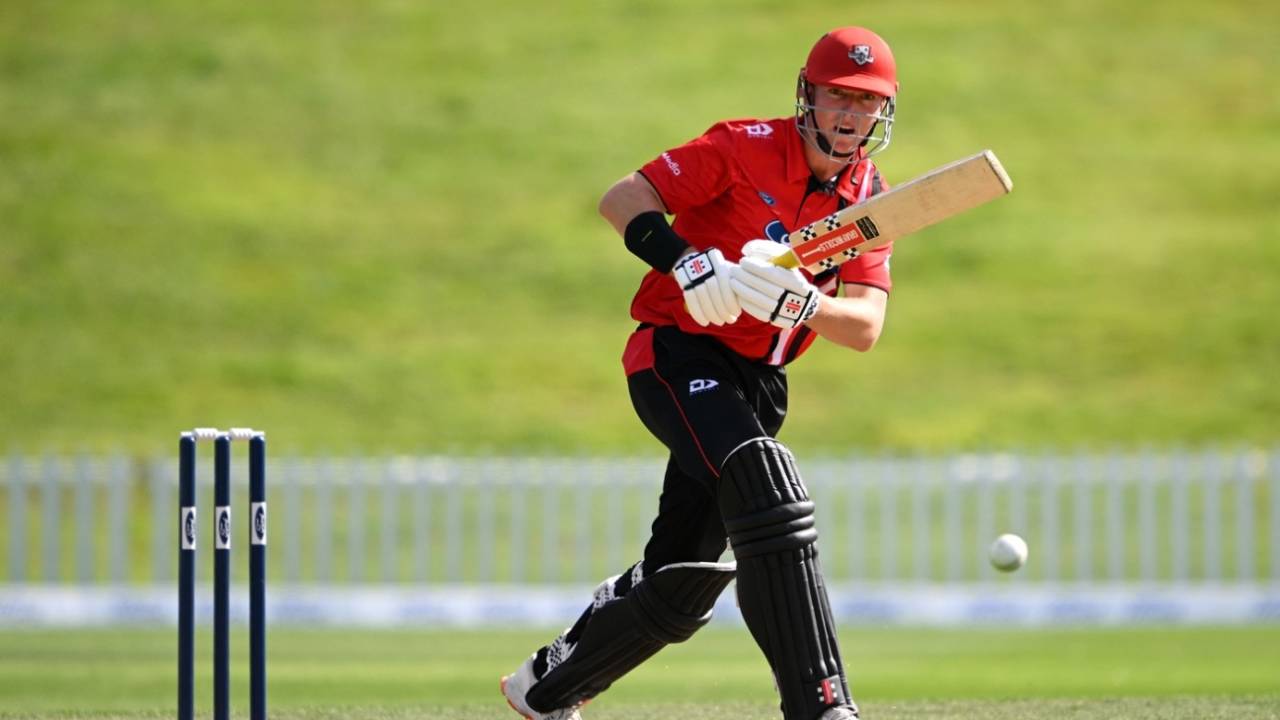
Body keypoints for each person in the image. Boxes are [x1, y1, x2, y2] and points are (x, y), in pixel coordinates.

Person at [501, 26, 898, 720]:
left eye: (866, 103)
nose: (849, 116)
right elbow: (624, 197)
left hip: (758, 384)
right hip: (676, 353)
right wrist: (687, 262)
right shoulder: (742, 147)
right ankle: (823, 705)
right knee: (768, 489)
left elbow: (864, 326)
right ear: (806, 96)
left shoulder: (869, 201)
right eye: (838, 97)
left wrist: (807, 302)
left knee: (683, 577)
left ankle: (545, 687)